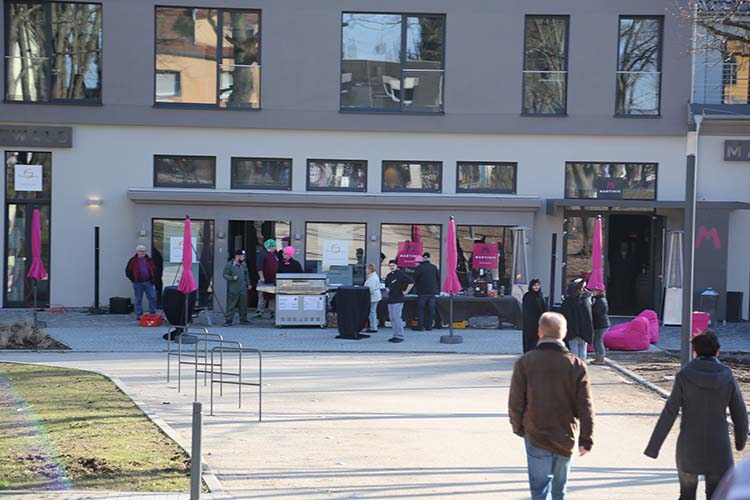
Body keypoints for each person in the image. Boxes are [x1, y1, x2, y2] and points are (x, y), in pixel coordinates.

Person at [645, 331, 748, 500]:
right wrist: (740, 442)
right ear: (717, 352)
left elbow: (669, 412)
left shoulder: (684, 375)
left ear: (694, 352)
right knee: (717, 496)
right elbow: (740, 413)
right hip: (719, 448)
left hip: (688, 448)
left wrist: (654, 447)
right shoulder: (727, 376)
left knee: (686, 495)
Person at [509, 311, 594, 500]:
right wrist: (586, 438)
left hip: (536, 432)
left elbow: (516, 401)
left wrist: (518, 427)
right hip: (565, 435)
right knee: (559, 491)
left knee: (539, 491)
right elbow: (585, 406)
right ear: (564, 333)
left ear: (540, 331)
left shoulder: (525, 362)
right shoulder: (576, 365)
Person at [560, 278, 594, 361]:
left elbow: (564, 316)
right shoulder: (586, 300)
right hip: (583, 331)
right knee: (581, 354)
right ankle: (581, 367)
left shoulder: (569, 301)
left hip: (574, 331)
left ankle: (577, 367)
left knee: (575, 354)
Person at [125, 244, 158, 320]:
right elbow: (127, 271)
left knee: (152, 297)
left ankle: (153, 314)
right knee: (138, 299)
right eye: (141, 251)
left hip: (148, 282)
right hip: (138, 283)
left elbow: (154, 269)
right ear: (137, 251)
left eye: (144, 251)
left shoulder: (149, 260)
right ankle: (139, 315)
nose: (143, 253)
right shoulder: (133, 260)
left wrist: (153, 278)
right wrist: (133, 279)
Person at [384, 259, 414, 343]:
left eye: (393, 265)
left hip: (398, 299)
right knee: (392, 318)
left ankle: (400, 336)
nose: (392, 267)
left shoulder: (400, 274)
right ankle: (395, 335)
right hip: (391, 299)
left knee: (397, 318)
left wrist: (406, 292)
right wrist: (387, 289)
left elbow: (411, 282)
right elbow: (386, 285)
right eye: (390, 266)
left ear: (396, 266)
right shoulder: (389, 275)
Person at [413, 252, 440, 331]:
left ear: (423, 258)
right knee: (431, 310)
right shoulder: (434, 267)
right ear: (429, 258)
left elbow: (414, 279)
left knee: (421, 310)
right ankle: (429, 326)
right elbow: (438, 279)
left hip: (422, 292)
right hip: (432, 292)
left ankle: (421, 326)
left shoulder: (419, 268)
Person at [223, 249, 251, 326]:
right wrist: (232, 278)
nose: (243, 257)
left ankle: (243, 319)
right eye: (242, 256)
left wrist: (249, 284)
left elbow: (246, 275)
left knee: (243, 304)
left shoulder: (244, 264)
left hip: (243, 287)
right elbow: (225, 274)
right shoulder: (230, 264)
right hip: (233, 288)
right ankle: (229, 319)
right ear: (237, 256)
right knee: (231, 304)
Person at [521, 278, 546, 353]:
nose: (536, 287)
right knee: (528, 341)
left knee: (537, 341)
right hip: (529, 324)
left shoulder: (540, 296)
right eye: (534, 285)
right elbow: (525, 310)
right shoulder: (527, 296)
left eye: (538, 285)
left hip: (539, 323)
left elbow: (544, 308)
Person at [255, 239, 276, 319]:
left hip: (273, 280)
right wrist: (261, 277)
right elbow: (259, 266)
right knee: (262, 296)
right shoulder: (262, 254)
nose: (275, 247)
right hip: (264, 279)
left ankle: (273, 312)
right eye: (274, 246)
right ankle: (260, 311)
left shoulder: (274, 254)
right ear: (269, 246)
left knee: (272, 296)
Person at [590, 287, 610, 364]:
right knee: (596, 341)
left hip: (601, 324)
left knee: (598, 341)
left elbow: (596, 312)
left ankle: (601, 358)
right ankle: (598, 357)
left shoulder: (601, 301)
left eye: (594, 291)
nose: (592, 292)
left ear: (599, 292)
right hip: (600, 324)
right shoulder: (598, 299)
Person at [363, 264, 381, 334]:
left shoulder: (372, 278)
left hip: (373, 298)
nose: (365, 270)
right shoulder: (373, 276)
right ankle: (373, 326)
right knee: (372, 312)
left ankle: (373, 327)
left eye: (367, 269)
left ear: (370, 270)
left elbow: (371, 290)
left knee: (372, 312)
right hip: (375, 297)